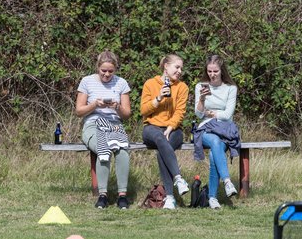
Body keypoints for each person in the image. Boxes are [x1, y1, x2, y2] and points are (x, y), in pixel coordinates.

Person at [75, 50, 131, 209]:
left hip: (114, 124)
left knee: (122, 149)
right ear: (97, 68)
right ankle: (103, 195)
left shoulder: (121, 83)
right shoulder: (87, 81)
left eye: (110, 71)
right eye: (103, 71)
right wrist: (94, 105)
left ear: (115, 70)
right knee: (103, 147)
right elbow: (79, 111)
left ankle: (122, 196)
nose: (107, 74)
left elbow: (127, 114)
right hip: (93, 124)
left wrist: (117, 107)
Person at [140, 54, 190, 210]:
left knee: (162, 148)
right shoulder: (150, 84)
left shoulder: (182, 87)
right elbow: (144, 110)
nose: (180, 71)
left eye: (181, 68)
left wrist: (170, 127)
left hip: (173, 129)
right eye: (177, 67)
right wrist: (159, 97)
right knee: (161, 139)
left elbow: (180, 112)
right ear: (166, 66)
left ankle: (169, 198)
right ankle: (178, 178)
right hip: (151, 128)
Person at [194, 54, 240, 209]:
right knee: (214, 141)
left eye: (215, 71)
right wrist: (201, 100)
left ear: (222, 71)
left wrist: (213, 113)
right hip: (206, 128)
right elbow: (199, 114)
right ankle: (227, 181)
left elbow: (228, 115)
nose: (212, 75)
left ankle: (212, 198)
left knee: (215, 154)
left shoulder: (230, 88)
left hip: (225, 129)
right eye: (209, 71)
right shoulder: (200, 86)